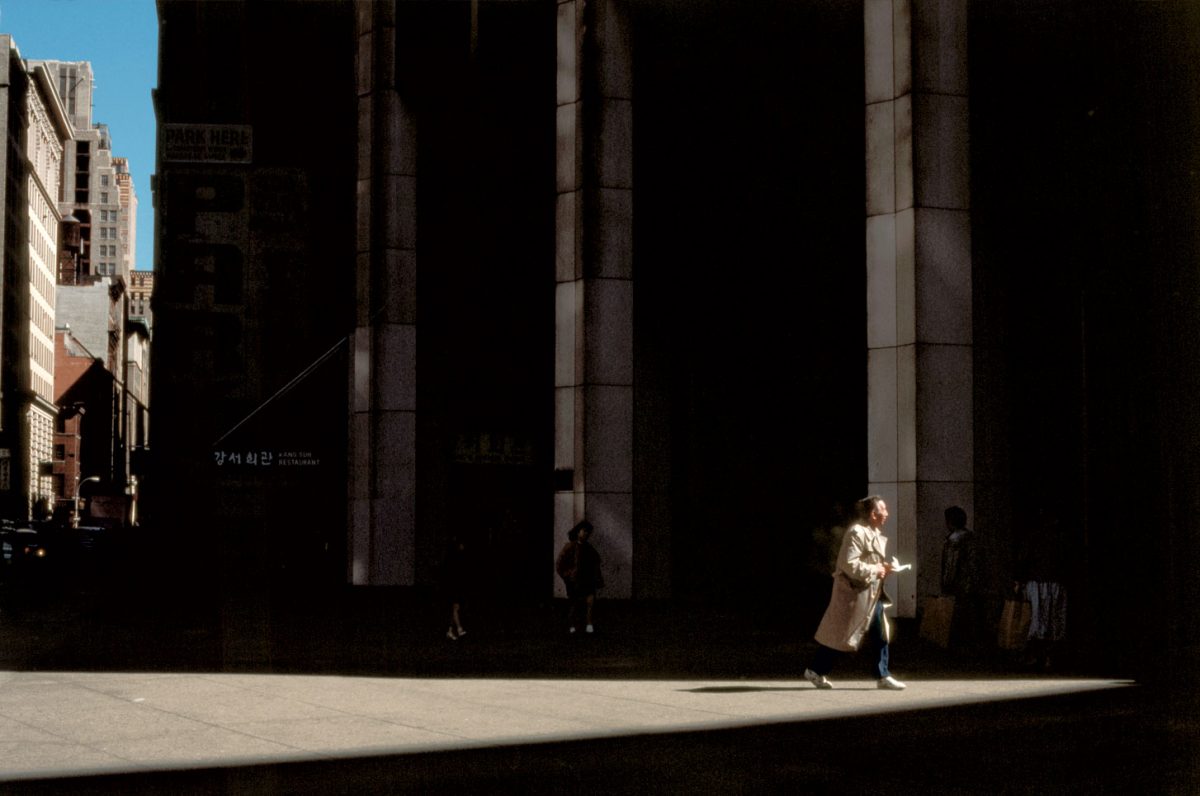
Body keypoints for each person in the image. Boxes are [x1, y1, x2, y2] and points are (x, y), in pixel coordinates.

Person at [804, 495, 906, 690]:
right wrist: (876, 569)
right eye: (883, 510)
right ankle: (816, 669)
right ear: (873, 514)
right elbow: (850, 564)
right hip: (854, 595)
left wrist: (884, 568)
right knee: (841, 635)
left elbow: (867, 563)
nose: (887, 513)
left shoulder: (872, 532)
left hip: (871, 595)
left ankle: (883, 675)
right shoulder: (856, 533)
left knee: (880, 633)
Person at [940, 505, 984, 648]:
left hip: (958, 587)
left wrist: (946, 585)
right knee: (971, 620)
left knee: (957, 620)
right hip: (971, 586)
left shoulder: (953, 541)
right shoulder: (972, 538)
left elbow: (950, 567)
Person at [555, 519, 603, 634]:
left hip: (587, 579)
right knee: (574, 604)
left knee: (590, 601)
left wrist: (596, 577)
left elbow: (596, 561)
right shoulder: (570, 547)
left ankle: (589, 624)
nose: (586, 534)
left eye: (588, 532)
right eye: (584, 531)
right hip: (575, 581)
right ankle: (572, 625)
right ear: (578, 532)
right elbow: (559, 564)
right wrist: (568, 575)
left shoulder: (590, 548)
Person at [442, 535, 470, 640]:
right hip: (453, 587)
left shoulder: (454, 557)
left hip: (454, 586)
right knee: (455, 608)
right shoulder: (455, 558)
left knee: (454, 609)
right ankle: (459, 628)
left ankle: (450, 630)